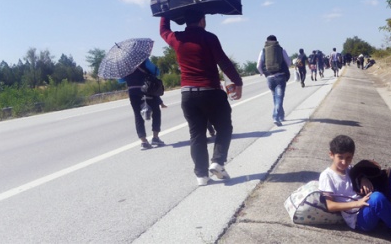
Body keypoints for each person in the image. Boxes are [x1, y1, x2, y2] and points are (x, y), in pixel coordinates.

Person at [160, 10, 243, 186]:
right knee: (224, 128)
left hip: (188, 94)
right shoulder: (210, 38)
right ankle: (218, 162)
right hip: (211, 91)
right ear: (202, 20)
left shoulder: (177, 38)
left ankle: (201, 176)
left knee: (196, 135)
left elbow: (163, 31)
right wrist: (237, 82)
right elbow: (224, 62)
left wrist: (165, 12)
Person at [319, 135, 391, 235]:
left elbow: (357, 173)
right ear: (331, 155)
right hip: (359, 219)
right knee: (377, 198)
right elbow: (330, 206)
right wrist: (357, 204)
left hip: (368, 202)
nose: (344, 162)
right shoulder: (327, 176)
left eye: (348, 158)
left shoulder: (350, 169)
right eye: (340, 157)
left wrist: (363, 178)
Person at [118, 58, 165, 150]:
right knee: (156, 111)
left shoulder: (124, 66)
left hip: (133, 92)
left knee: (138, 115)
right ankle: (155, 138)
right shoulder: (143, 60)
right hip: (147, 89)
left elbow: (120, 80)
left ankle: (143, 142)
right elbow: (157, 72)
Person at [256, 35, 291, 126]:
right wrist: (283, 69)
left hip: (269, 78)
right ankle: (276, 117)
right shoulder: (281, 49)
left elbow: (258, 66)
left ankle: (281, 116)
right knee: (279, 97)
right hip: (280, 77)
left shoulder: (263, 51)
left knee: (275, 97)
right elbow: (289, 62)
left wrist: (263, 73)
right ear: (276, 41)